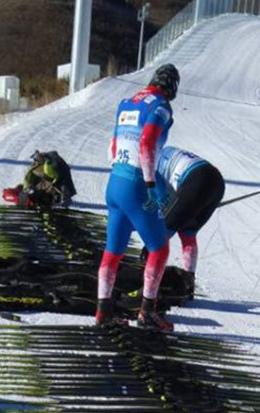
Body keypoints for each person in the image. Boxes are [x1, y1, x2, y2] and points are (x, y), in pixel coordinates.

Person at [96, 64, 180, 331]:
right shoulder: (161, 106)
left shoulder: (126, 103)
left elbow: (113, 146)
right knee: (159, 248)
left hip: (115, 180)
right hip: (135, 183)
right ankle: (147, 312)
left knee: (112, 253)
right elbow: (146, 144)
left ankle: (103, 312)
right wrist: (151, 182)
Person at [155, 145, 226, 297]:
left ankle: (153, 282)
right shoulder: (165, 150)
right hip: (216, 181)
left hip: (195, 181)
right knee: (188, 233)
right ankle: (188, 284)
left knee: (161, 234)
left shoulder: (150, 165)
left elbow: (163, 202)